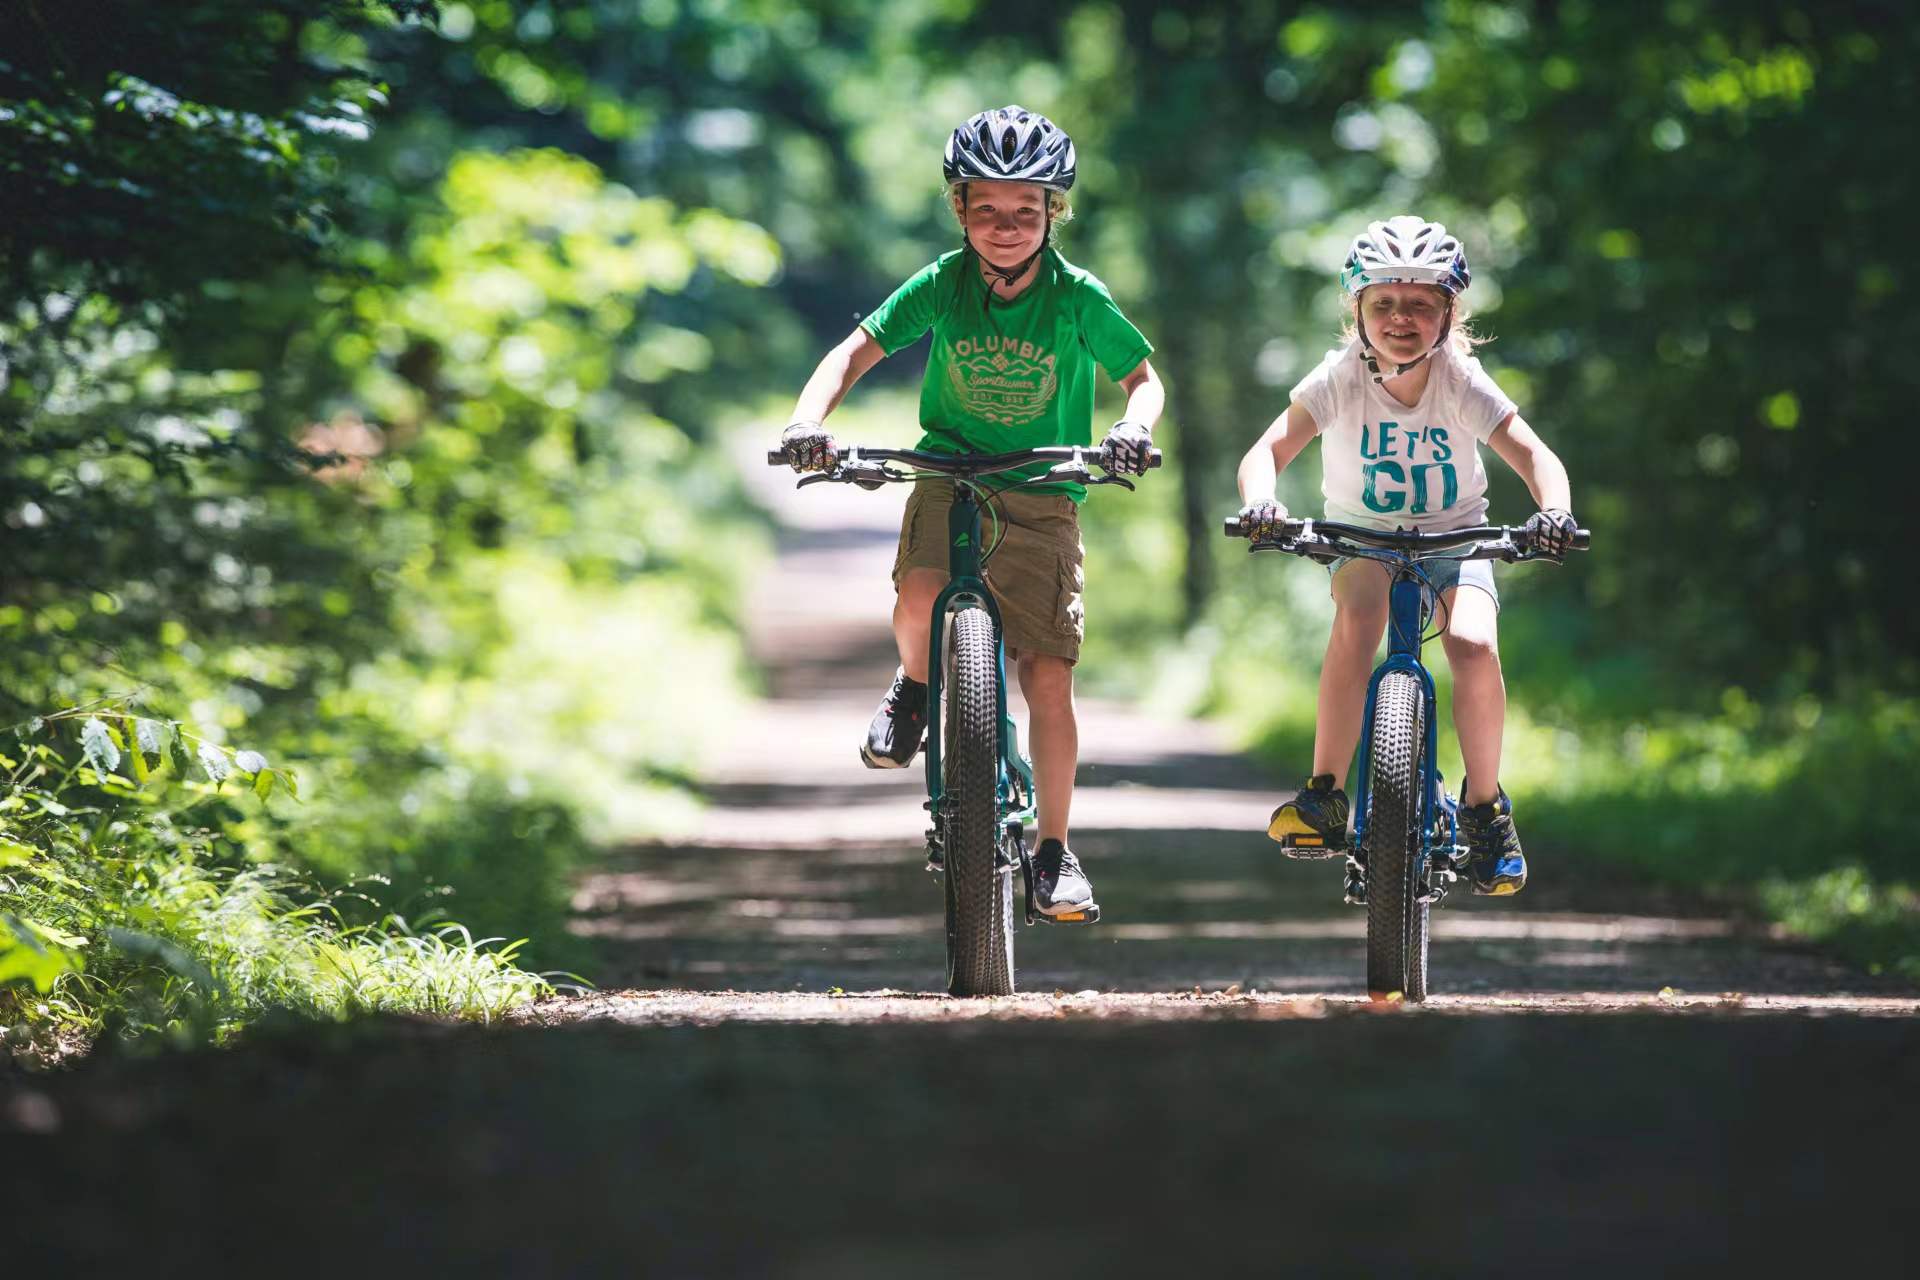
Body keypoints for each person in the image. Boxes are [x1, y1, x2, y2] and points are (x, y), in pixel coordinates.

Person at [778, 105, 1163, 920]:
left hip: (1044, 490)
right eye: (986, 209)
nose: (1005, 226)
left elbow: (1142, 380)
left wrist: (1133, 426)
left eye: (1026, 211)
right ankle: (915, 688)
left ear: (1054, 212)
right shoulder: (941, 283)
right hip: (948, 471)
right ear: (959, 208)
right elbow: (856, 351)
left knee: (1049, 676)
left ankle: (1055, 852)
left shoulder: (1076, 296)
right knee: (919, 595)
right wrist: (808, 420)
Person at [1235, 215, 1578, 896]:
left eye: (1422, 304)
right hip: (1364, 540)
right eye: (1384, 303)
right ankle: (1327, 791)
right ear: (1356, 309)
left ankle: (1485, 809)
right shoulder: (1338, 377)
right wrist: (1262, 503)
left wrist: (1554, 512)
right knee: (1358, 621)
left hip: (1457, 540)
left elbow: (1536, 457)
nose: (1401, 318)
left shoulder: (1460, 379)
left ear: (1450, 314)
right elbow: (1265, 454)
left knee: (1474, 643)